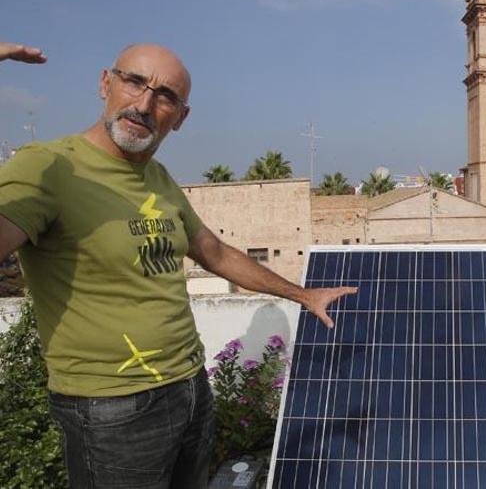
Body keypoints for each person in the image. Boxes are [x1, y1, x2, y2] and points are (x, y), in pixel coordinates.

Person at [0, 43, 356, 488]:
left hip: (190, 389)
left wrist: (303, 295)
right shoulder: (47, 167)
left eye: (165, 95)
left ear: (181, 118)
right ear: (105, 83)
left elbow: (215, 252)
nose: (145, 104)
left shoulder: (159, 179)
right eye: (133, 81)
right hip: (110, 409)